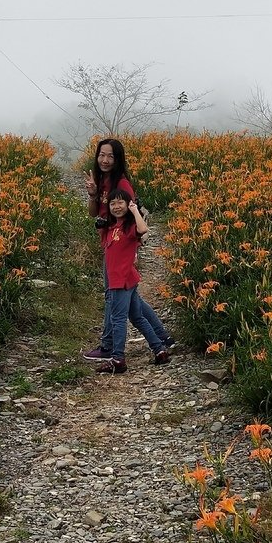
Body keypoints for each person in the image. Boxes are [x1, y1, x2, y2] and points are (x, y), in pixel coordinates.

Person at [82, 138, 175, 362]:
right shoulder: (103, 181)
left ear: (118, 159)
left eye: (110, 156)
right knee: (133, 301)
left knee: (113, 299)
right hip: (110, 243)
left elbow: (134, 220)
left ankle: (110, 347)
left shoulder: (121, 184)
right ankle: (163, 339)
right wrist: (93, 194)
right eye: (101, 155)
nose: (105, 160)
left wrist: (133, 251)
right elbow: (94, 214)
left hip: (121, 247)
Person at [93, 189, 170, 374]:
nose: (116, 207)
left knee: (118, 319)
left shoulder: (129, 227)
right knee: (137, 317)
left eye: (121, 203)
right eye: (113, 204)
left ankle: (118, 358)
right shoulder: (112, 227)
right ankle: (159, 349)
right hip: (125, 279)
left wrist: (135, 210)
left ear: (128, 204)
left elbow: (143, 230)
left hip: (121, 281)